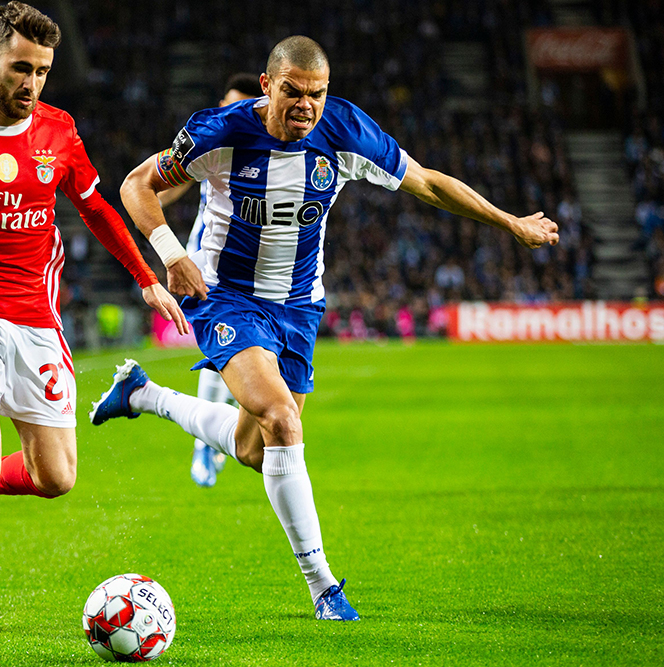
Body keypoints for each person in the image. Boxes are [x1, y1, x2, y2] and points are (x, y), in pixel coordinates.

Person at [91, 35, 558, 621]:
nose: (306, 106)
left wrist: (508, 221)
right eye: (293, 92)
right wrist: (169, 251)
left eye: (317, 94)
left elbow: (429, 182)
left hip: (300, 307)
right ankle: (324, 587)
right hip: (226, 297)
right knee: (283, 420)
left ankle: (144, 395)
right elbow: (137, 184)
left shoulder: (346, 131)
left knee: (255, 450)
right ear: (267, 87)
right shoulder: (222, 131)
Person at [0, 2, 185, 637]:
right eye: (21, 68)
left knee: (57, 478)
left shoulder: (58, 131)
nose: (32, 84)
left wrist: (148, 278)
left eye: (43, 72)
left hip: (35, 323)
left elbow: (97, 206)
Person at [157, 73, 263, 488]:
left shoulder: (265, 149)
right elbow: (167, 183)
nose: (229, 113)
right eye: (226, 104)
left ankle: (215, 432)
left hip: (258, 271)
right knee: (222, 354)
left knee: (247, 364)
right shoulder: (214, 143)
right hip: (208, 262)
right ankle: (204, 443)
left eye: (239, 106)